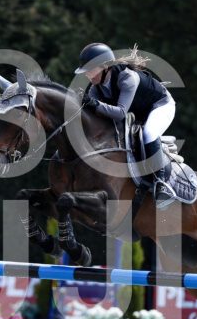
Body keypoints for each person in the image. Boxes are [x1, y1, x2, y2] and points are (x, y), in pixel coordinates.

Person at [75, 43, 177, 207]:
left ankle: (162, 183)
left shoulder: (127, 77)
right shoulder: (96, 89)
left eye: (90, 70)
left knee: (148, 134)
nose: (87, 75)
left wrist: (94, 104)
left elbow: (120, 113)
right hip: (139, 113)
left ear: (105, 66)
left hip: (161, 105)